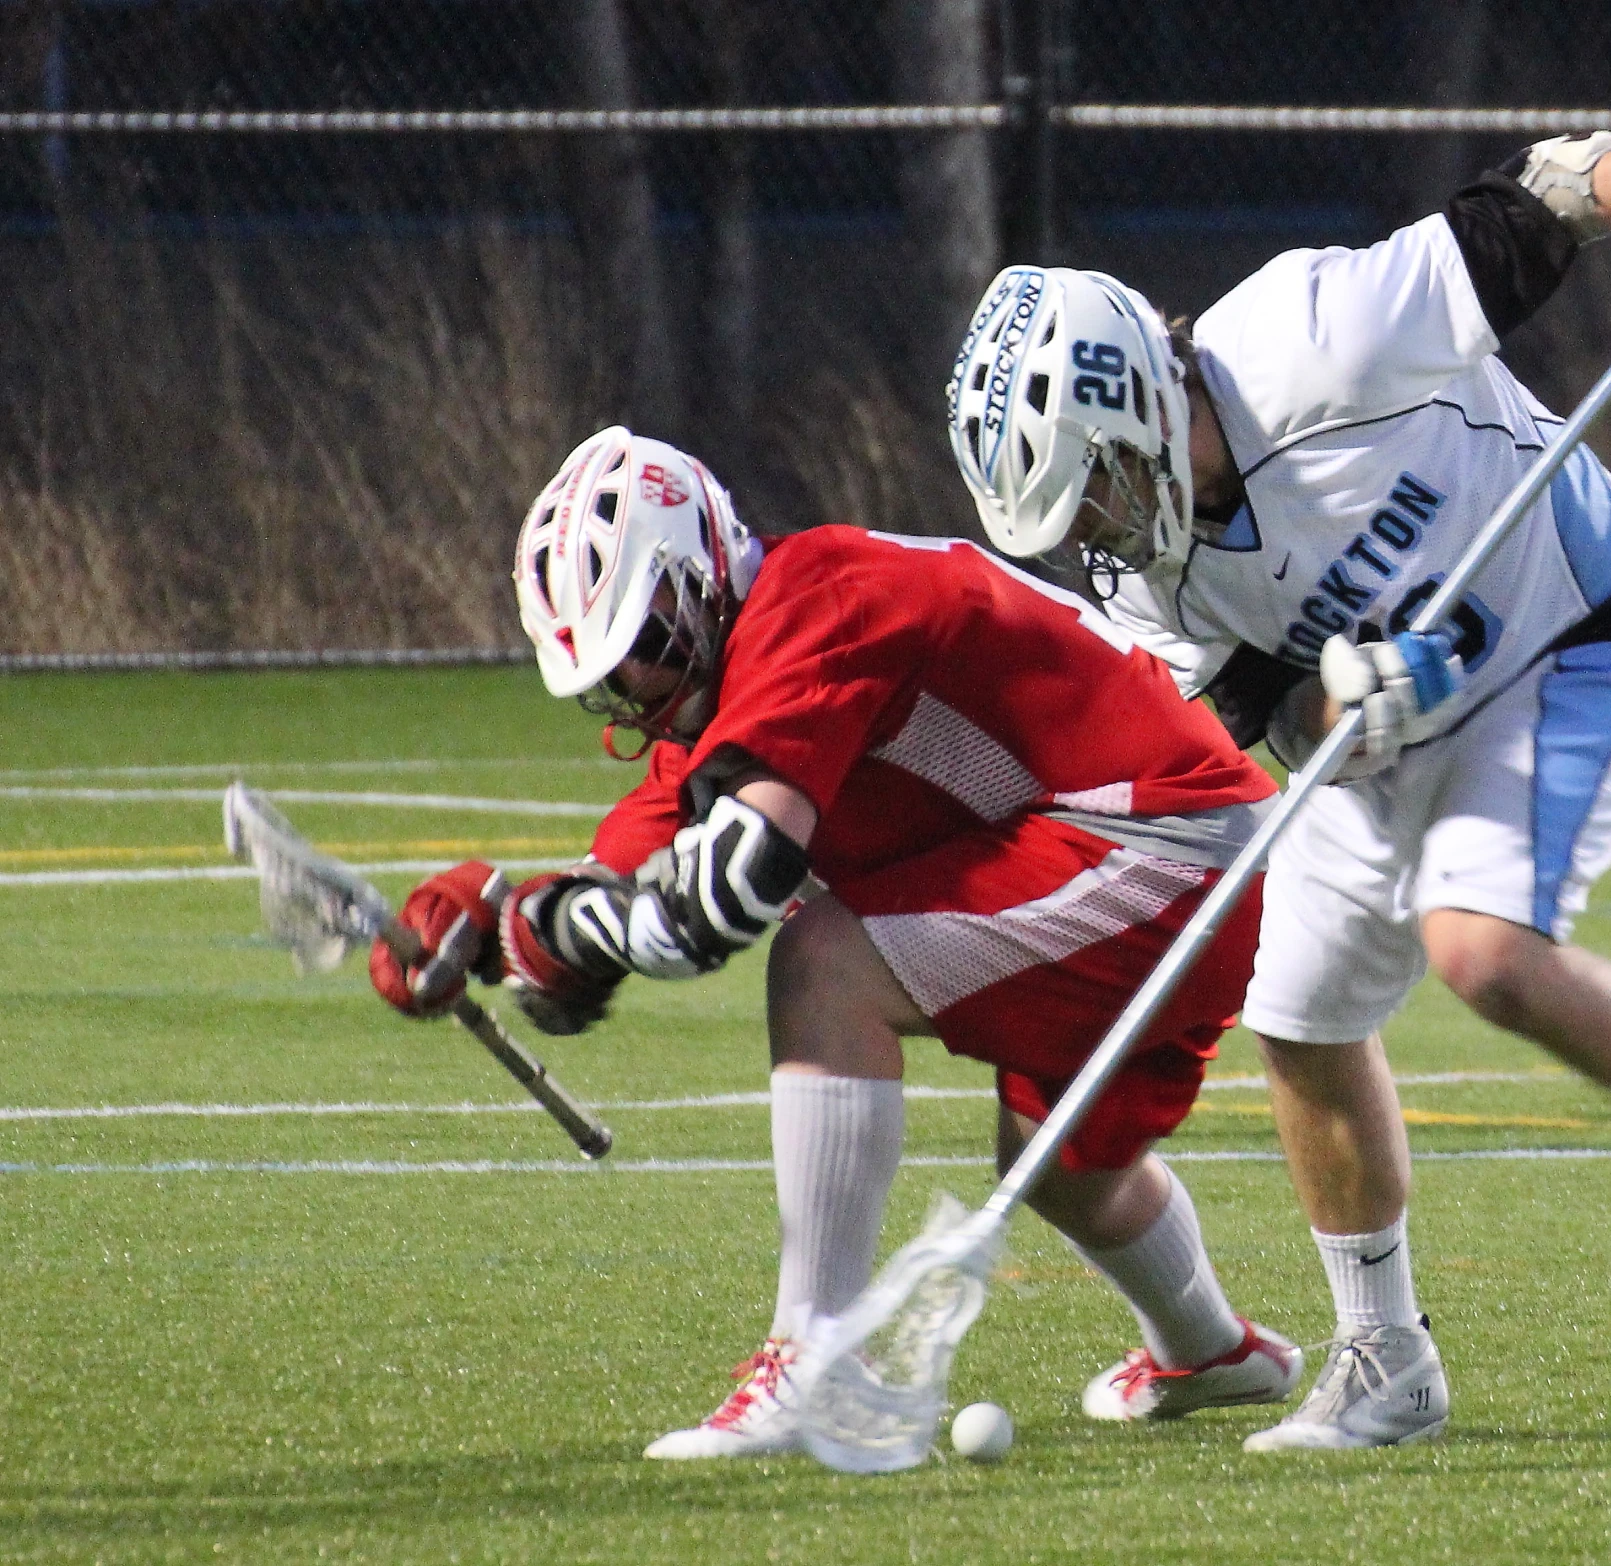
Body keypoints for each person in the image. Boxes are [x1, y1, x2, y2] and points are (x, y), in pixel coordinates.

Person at [946, 107, 1611, 1451]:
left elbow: (1541, 203)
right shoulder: (1146, 574)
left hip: (1584, 633)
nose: (1095, 530)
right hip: (1405, 729)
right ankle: (1386, 1361)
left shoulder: (1312, 340)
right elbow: (1261, 714)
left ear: (1137, 395)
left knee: (1482, 949)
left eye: (1095, 489)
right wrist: (1340, 705)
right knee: (1296, 1008)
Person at [367, 426, 1305, 1459]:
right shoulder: (758, 655)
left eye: (646, 630)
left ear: (702, 567)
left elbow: (717, 902)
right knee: (1066, 1164)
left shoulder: (814, 601)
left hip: (1164, 842)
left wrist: (551, 928)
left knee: (827, 963)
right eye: (614, 663)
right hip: (1171, 847)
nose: (635, 676)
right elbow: (621, 886)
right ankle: (1211, 1352)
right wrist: (492, 927)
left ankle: (814, 1360)